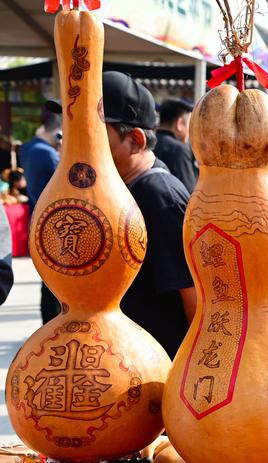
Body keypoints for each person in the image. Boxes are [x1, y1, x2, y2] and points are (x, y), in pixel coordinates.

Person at [47, 72, 196, 356]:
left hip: (154, 365)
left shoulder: (158, 195)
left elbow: (193, 298)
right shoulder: (110, 190)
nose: (71, 143)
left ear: (136, 141)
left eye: (88, 133)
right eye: (70, 130)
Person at [20, 108, 61, 323]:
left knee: (47, 282)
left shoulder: (27, 148)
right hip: (53, 221)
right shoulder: (48, 154)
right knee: (56, 284)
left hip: (36, 216)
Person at [153, 98, 198, 193]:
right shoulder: (179, 150)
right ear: (180, 124)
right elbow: (189, 193)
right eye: (189, 125)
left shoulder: (147, 143)